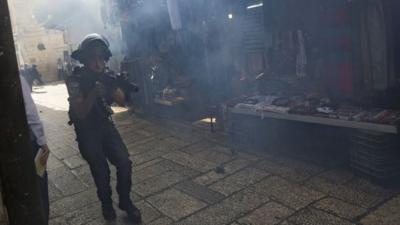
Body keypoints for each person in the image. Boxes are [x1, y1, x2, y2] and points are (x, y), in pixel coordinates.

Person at [65, 33, 142, 223]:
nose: (98, 63)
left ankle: (125, 200)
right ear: (84, 60)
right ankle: (106, 204)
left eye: (101, 58)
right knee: (101, 171)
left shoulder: (106, 76)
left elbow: (123, 101)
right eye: (93, 58)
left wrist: (115, 86)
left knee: (124, 162)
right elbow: (81, 112)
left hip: (105, 126)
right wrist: (93, 93)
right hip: (86, 132)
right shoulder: (75, 80)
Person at [20, 75, 50, 224]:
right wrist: (42, 142)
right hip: (27, 143)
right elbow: (29, 111)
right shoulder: (15, 79)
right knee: (39, 188)